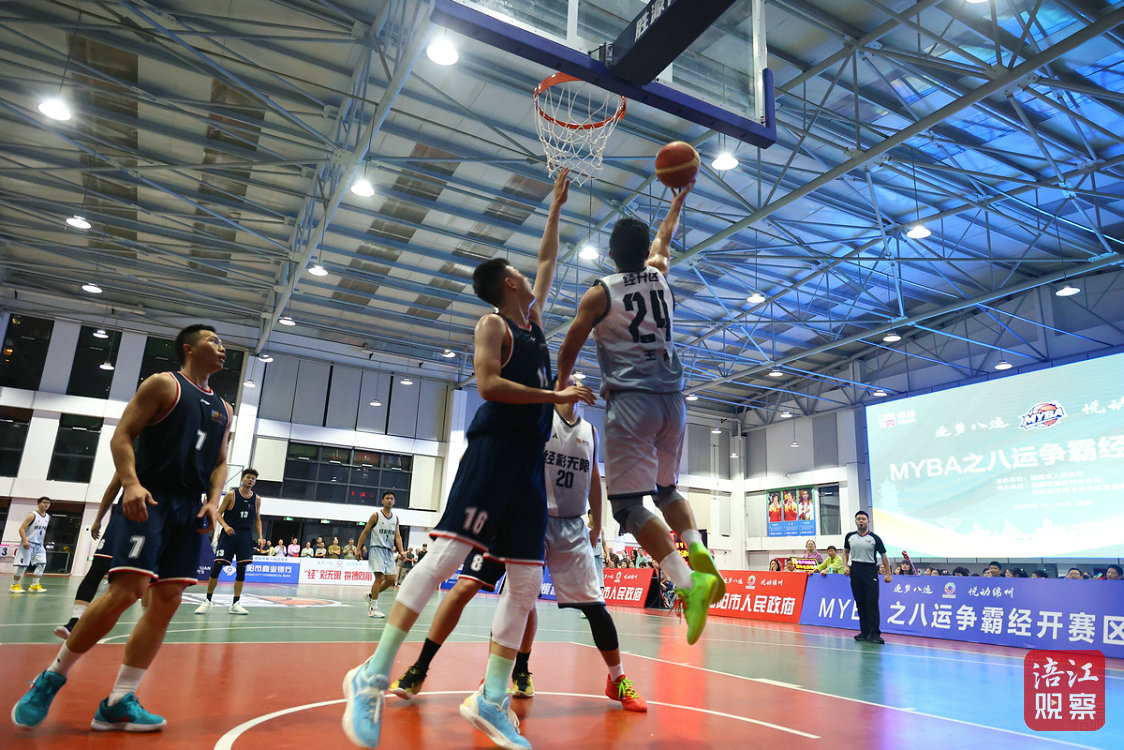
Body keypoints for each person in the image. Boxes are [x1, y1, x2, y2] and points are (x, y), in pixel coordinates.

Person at [342, 169, 594, 750]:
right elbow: (487, 385)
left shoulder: (534, 322)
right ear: (508, 282)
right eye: (522, 274)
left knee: (526, 580)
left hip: (529, 465)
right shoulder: (493, 323)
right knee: (446, 558)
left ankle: (491, 697)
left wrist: (555, 208)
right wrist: (555, 395)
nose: (532, 277)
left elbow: (548, 260)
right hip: (493, 452)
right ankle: (372, 674)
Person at [13, 323, 230, 732]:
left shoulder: (225, 408)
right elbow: (122, 435)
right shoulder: (164, 385)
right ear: (189, 348)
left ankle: (118, 701)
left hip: (190, 509)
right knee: (127, 590)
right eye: (213, 341)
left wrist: (213, 501)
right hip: (150, 498)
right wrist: (130, 483)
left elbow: (220, 461)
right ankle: (52, 677)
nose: (222, 347)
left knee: (167, 601)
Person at [390, 401, 646, 714]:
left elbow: (593, 477)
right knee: (474, 589)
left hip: (569, 526)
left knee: (588, 606)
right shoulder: (535, 416)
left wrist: (598, 523)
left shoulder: (590, 432)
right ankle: (425, 667)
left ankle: (612, 678)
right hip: (523, 516)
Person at [555, 179, 721, 648]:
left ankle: (689, 583)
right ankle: (699, 549)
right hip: (674, 402)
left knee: (627, 506)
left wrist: (562, 384)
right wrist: (677, 201)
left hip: (633, 403)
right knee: (667, 489)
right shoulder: (660, 273)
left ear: (610, 256)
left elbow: (570, 344)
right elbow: (665, 239)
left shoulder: (599, 294)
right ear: (644, 251)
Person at [54, 476, 123, 638]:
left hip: (152, 522)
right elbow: (112, 488)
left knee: (132, 584)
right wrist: (98, 519)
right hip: (122, 521)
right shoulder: (129, 461)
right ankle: (76, 620)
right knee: (98, 567)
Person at [195, 469, 262, 616]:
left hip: (245, 535)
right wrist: (225, 526)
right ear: (242, 479)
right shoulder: (231, 495)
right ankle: (207, 600)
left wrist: (260, 536)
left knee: (242, 569)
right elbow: (218, 513)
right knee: (217, 567)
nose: (251, 480)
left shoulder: (257, 499)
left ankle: (235, 603)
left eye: (253, 479)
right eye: (248, 477)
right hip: (229, 533)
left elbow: (258, 519)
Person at [843, 510, 892, 645]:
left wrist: (888, 574)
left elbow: (884, 556)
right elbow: (845, 552)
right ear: (855, 521)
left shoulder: (875, 538)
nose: (861, 521)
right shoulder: (850, 537)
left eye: (863, 519)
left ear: (868, 521)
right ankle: (864, 632)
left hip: (870, 570)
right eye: (858, 519)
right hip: (855, 570)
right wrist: (845, 566)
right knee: (860, 602)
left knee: (872, 602)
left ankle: (875, 633)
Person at [356, 492, 406, 618]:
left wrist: (401, 551)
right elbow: (365, 532)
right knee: (379, 577)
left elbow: (397, 536)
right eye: (387, 498)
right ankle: (373, 608)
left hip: (389, 551)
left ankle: (371, 596)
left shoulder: (395, 518)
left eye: (391, 498)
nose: (389, 500)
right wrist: (358, 549)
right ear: (382, 501)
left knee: (392, 579)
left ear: (394, 501)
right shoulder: (376, 515)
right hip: (377, 549)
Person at [11, 496, 52, 593]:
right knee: (23, 566)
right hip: (28, 543)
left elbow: (43, 531)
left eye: (48, 503)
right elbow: (21, 529)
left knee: (42, 564)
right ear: (38, 504)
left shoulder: (47, 517)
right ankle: (14, 585)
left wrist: (42, 542)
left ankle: (34, 585)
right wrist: (25, 541)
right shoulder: (32, 515)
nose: (46, 504)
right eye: (44, 502)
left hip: (39, 545)